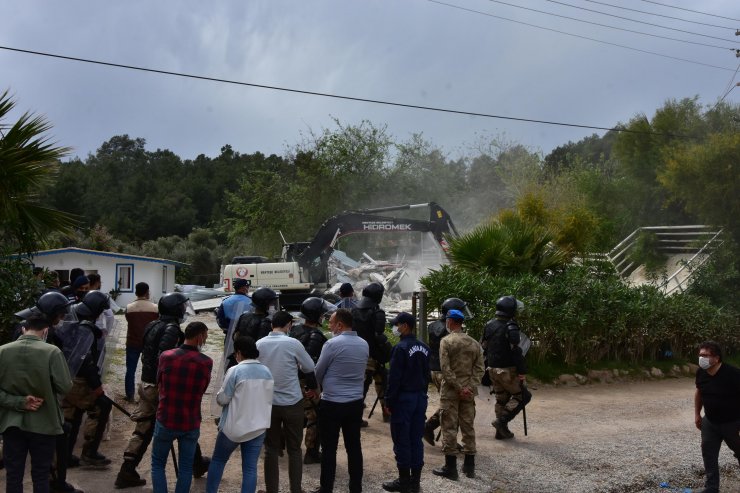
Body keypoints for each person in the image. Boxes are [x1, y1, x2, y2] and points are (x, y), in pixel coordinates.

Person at [116, 292, 210, 489]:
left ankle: (127, 469)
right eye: (182, 307)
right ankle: (196, 464)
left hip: (146, 382)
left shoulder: (153, 324)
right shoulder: (172, 329)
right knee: (182, 423)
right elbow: (165, 358)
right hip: (159, 386)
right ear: (176, 309)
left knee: (144, 429)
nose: (184, 310)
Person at [15, 292, 81, 493]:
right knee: (59, 434)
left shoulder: (25, 324)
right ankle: (57, 483)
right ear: (52, 313)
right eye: (60, 315)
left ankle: (55, 480)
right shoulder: (45, 333)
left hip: (21, 396)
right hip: (38, 396)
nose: (61, 320)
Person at [0, 315, 73, 493]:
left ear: (24, 329)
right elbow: (65, 386)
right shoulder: (52, 352)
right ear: (46, 331)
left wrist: (19, 401)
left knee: (13, 475)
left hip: (11, 423)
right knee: (41, 475)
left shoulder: (2, 351)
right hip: (45, 423)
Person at [256, 311, 319, 493]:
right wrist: (312, 388)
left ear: (271, 325)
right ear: (289, 325)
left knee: (271, 450)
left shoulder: (259, 344)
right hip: (292, 403)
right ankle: (296, 489)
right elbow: (309, 367)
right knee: (294, 449)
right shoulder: (293, 343)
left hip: (268, 404)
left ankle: (271, 490)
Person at [311, 308, 369, 493]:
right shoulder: (363, 344)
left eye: (332, 322)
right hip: (355, 403)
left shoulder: (332, 344)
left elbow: (318, 372)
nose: (329, 325)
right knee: (354, 446)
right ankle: (356, 487)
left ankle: (326, 488)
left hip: (333, 402)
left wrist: (315, 388)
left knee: (329, 449)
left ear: (340, 325)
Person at [151, 321, 212, 493]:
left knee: (157, 464)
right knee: (186, 467)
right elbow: (203, 388)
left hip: (166, 417)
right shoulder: (206, 362)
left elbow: (159, 383)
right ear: (200, 336)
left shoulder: (166, 356)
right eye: (205, 336)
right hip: (190, 420)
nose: (205, 339)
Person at [206, 336, 273, 493]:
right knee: (250, 469)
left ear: (239, 352)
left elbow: (223, 399)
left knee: (218, 461)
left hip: (232, 429)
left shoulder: (235, 370)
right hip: (258, 428)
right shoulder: (267, 371)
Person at [58, 290, 113, 468]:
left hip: (65, 376)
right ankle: (89, 453)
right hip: (79, 380)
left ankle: (64, 456)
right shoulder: (85, 328)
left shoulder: (72, 317)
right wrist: (96, 386)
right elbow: (85, 361)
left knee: (72, 416)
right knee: (101, 406)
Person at [432, 309, 484, 480]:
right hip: (469, 393)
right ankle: (469, 467)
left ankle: (451, 468)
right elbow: (479, 369)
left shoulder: (446, 342)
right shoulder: (474, 343)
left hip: (450, 392)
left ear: (450, 321)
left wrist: (458, 387)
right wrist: (469, 387)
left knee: (449, 426)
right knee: (468, 426)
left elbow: (445, 369)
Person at [382, 312, 430, 493]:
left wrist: (389, 400)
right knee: (416, 439)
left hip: (404, 399)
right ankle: (415, 482)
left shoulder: (400, 348)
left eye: (397, 324)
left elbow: (394, 378)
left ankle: (404, 482)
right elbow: (427, 375)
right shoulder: (424, 347)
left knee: (401, 439)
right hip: (419, 398)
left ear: (406, 326)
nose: (395, 327)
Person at [694, 341, 740, 493]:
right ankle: (712, 487)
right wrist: (697, 414)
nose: (702, 358)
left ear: (716, 358)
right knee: (708, 452)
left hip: (732, 422)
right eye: (700, 355)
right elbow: (699, 392)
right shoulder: (701, 373)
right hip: (710, 421)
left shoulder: (733, 374)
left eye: (705, 355)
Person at [481, 295, 529, 440]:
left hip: (492, 369)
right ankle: (501, 422)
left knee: (502, 399)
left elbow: (484, 347)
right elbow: (516, 351)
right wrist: (522, 371)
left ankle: (500, 432)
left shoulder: (489, 325)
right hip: (508, 370)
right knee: (523, 396)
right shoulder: (511, 326)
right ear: (510, 310)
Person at [290, 297, 331, 464]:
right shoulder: (316, 336)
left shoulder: (294, 330)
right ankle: (312, 451)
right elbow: (308, 364)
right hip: (306, 381)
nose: (323, 317)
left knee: (295, 413)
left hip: (291, 379)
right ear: (316, 315)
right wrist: (313, 386)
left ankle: (284, 444)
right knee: (315, 415)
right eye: (321, 314)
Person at [424, 297, 468, 446]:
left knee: (449, 402)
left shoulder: (432, 326)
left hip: (433, 369)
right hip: (446, 371)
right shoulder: (450, 329)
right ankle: (441, 435)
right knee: (451, 405)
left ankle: (433, 429)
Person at [351, 282, 391, 425]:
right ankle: (387, 413)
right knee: (382, 383)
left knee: (361, 387)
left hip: (358, 353)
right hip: (374, 354)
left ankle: (356, 417)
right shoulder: (377, 312)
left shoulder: (354, 311)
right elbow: (379, 334)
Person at [227, 287, 278, 370]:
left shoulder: (244, 316)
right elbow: (262, 347)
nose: (273, 305)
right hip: (253, 363)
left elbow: (235, 336)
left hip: (239, 358)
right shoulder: (266, 322)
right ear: (265, 304)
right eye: (272, 303)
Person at [123, 282, 158, 402]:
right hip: (149, 343)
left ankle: (130, 395)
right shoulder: (155, 308)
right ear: (147, 292)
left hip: (132, 342)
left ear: (136, 292)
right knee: (148, 369)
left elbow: (128, 320)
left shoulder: (129, 307)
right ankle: (146, 396)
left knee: (130, 370)